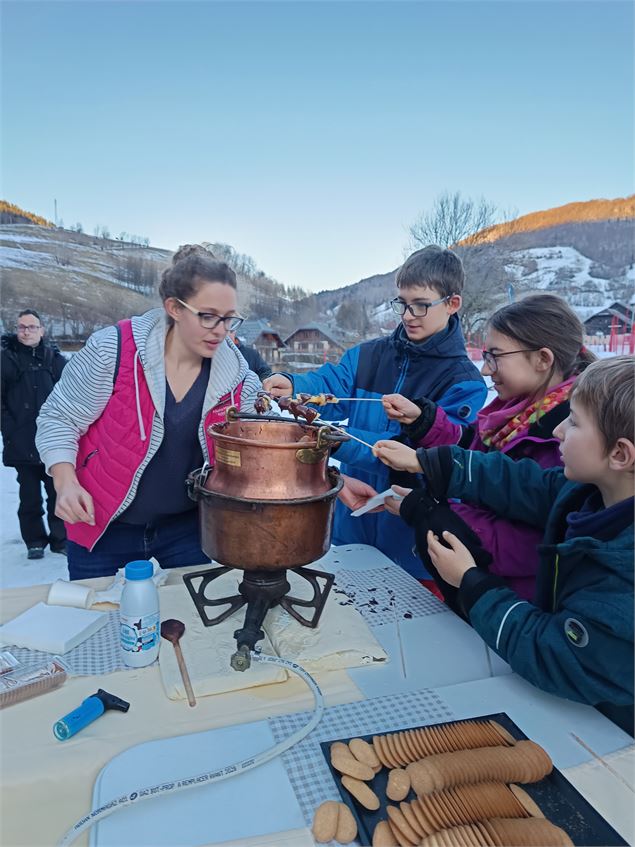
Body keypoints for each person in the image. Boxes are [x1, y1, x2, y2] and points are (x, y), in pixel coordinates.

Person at [374, 356, 634, 735]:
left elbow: (558, 655)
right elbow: (524, 485)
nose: (558, 431)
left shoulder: (625, 575)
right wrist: (429, 463)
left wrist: (472, 583)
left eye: (574, 422)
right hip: (572, 708)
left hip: (610, 734)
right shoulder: (588, 493)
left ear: (620, 454)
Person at [36, 247, 261, 580]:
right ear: (174, 308)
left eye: (229, 318)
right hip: (101, 523)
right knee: (102, 622)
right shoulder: (112, 351)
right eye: (208, 316)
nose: (221, 330)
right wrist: (65, 482)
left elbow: (258, 444)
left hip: (187, 528)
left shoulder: (238, 378)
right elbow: (59, 418)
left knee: (190, 624)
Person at [264, 245, 486, 579]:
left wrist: (338, 440)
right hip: (353, 521)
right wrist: (293, 385)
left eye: (421, 306)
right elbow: (331, 383)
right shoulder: (367, 355)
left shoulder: (464, 383)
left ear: (452, 304)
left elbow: (422, 456)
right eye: (403, 304)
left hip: (411, 539)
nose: (408, 315)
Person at [380, 294, 595, 606]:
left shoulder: (568, 438)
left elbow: (535, 542)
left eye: (495, 356)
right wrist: (425, 423)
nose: (484, 369)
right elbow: (477, 457)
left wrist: (435, 515)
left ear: (543, 359)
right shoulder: (513, 415)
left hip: (515, 603)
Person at [1, 309, 68, 559]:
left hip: (53, 442)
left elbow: (72, 396)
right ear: (16, 330)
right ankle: (34, 541)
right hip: (21, 441)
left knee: (57, 493)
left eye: (31, 327)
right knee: (29, 497)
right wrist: (9, 428)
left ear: (42, 330)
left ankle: (61, 539)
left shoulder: (55, 360)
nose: (26, 331)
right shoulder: (5, 360)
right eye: (22, 327)